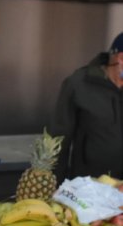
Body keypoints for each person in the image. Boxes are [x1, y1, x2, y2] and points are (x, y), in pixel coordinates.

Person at [51, 31, 123, 181]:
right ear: (120, 58)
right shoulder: (79, 84)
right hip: (87, 187)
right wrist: (54, 184)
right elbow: (59, 138)